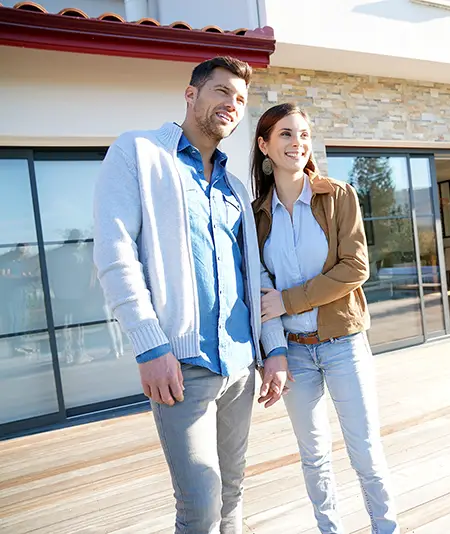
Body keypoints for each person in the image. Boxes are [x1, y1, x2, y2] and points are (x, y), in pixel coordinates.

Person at [93, 56, 289, 534]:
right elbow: (115, 254)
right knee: (199, 506)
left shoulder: (235, 187)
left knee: (233, 492)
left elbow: (255, 272)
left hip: (242, 366)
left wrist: (275, 347)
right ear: (191, 94)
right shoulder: (137, 152)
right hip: (182, 367)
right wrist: (150, 345)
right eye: (221, 91)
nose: (231, 104)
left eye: (240, 99)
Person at [252, 103, 398, 534]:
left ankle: (385, 527)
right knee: (313, 456)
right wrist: (274, 349)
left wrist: (290, 300)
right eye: (285, 134)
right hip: (295, 355)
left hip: (343, 345)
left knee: (364, 449)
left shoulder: (337, 196)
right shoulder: (257, 215)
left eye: (303, 134)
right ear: (264, 145)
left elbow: (355, 267)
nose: (297, 143)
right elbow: (262, 292)